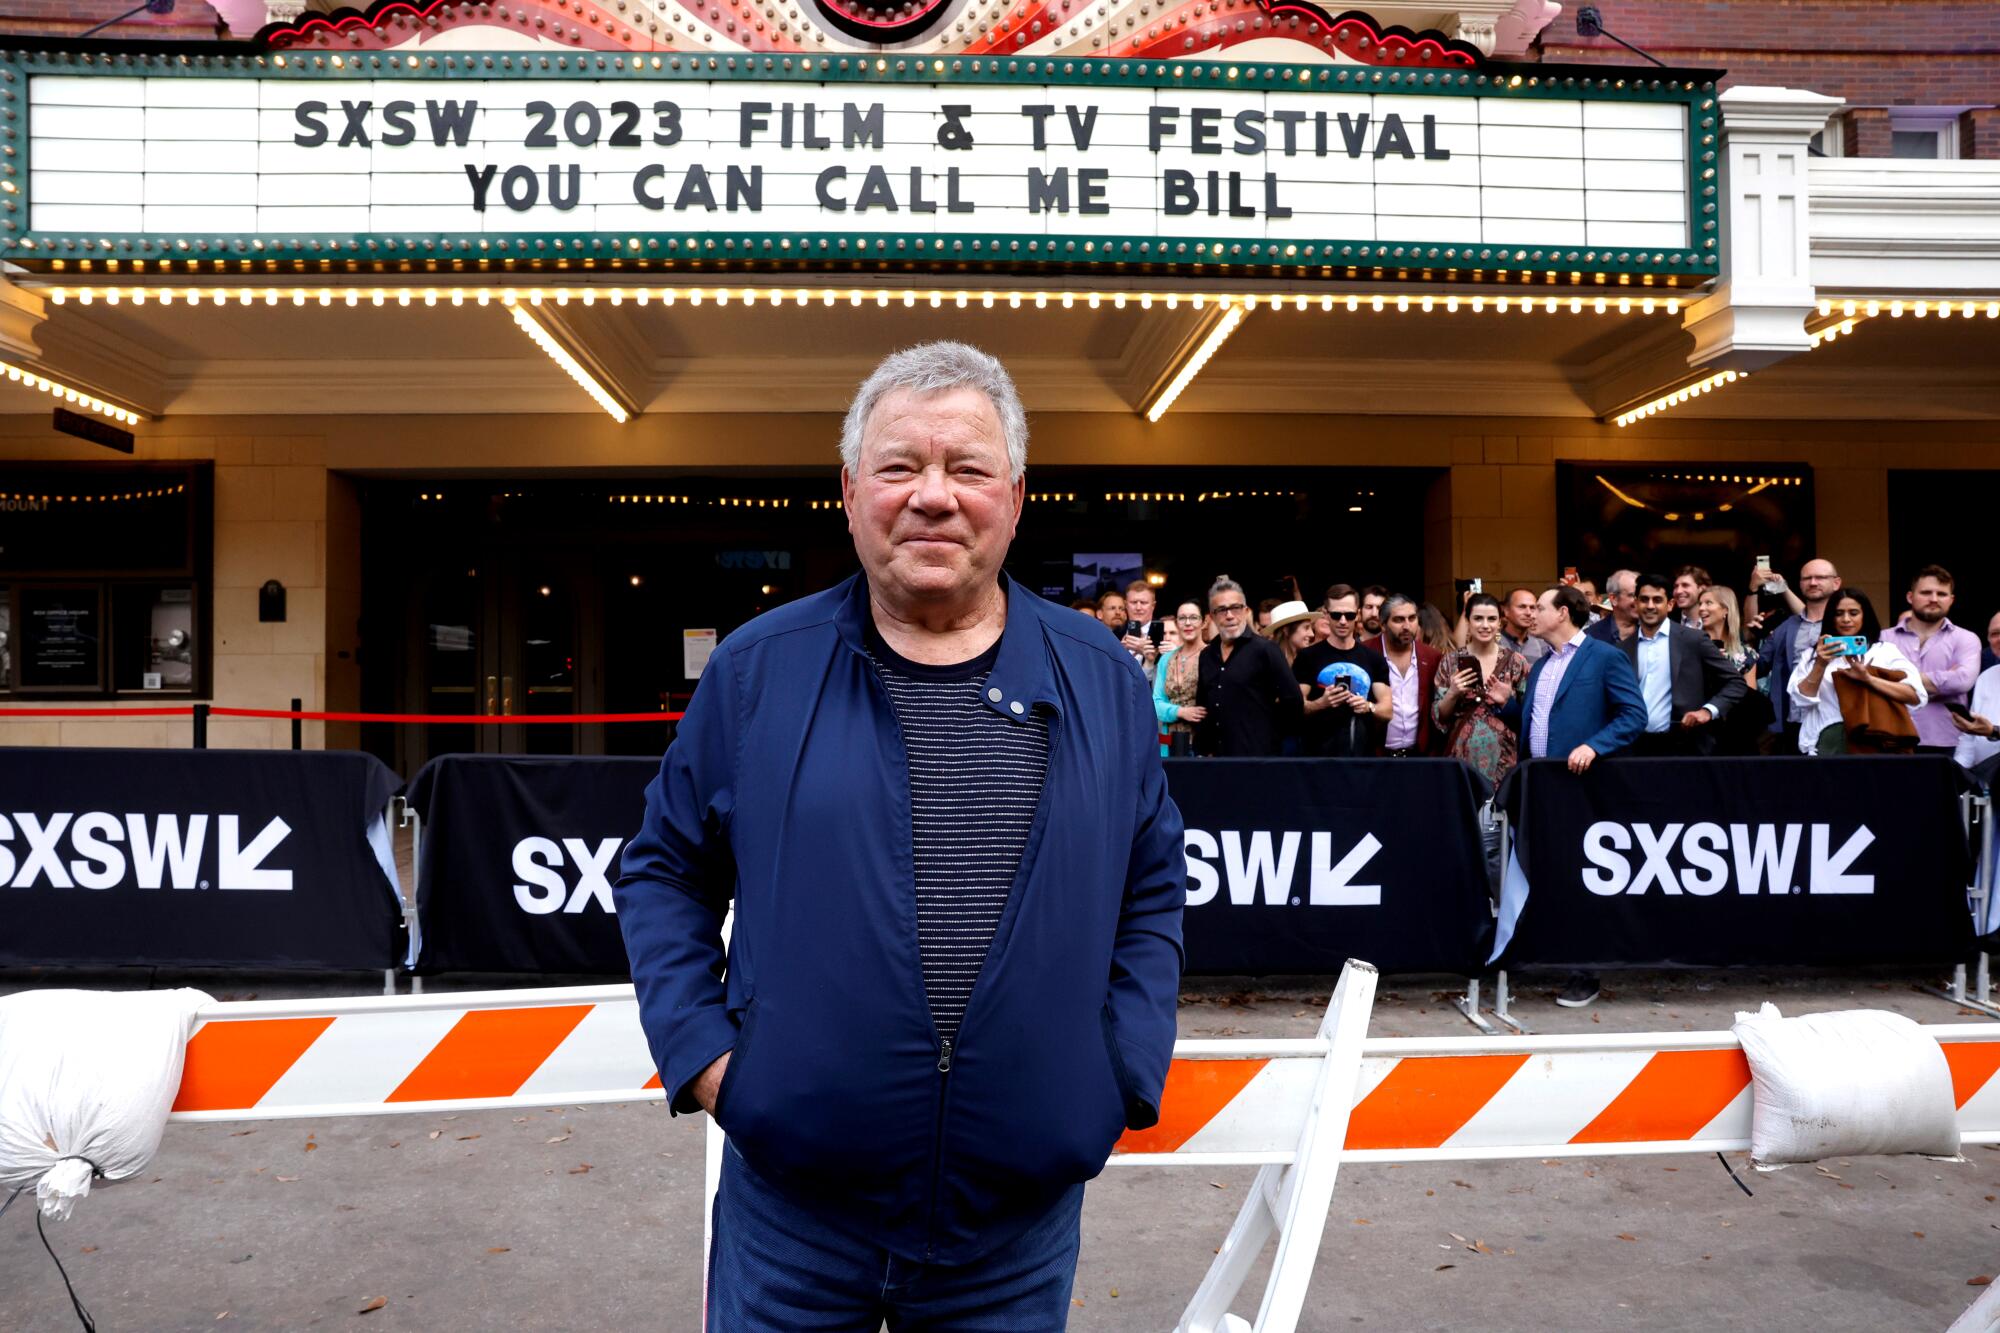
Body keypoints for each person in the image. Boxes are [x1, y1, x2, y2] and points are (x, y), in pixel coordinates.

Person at [613, 341, 1185, 1329]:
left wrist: (1120, 1070)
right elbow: (661, 870)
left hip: (1014, 1229)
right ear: (848, 490)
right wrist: (708, 1060)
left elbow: (1150, 882)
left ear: (1012, 492)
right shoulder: (758, 671)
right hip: (791, 1217)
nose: (933, 496)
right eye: (898, 467)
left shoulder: (1098, 674)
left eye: (965, 467)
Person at [1498, 584, 1645, 1011]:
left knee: (1584, 877)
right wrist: (1507, 706)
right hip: (1542, 785)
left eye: (1540, 608)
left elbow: (1634, 715)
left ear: (1562, 613)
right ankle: (1556, 956)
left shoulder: (1604, 657)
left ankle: (1587, 969)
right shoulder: (1542, 666)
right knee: (1551, 873)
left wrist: (1595, 745)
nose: (1531, 614)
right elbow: (1541, 723)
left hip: (1583, 788)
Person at [1620, 573, 1749, 756]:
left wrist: (1707, 711)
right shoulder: (1623, 649)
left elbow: (1736, 683)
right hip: (1635, 747)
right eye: (1644, 599)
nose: (1650, 606)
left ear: (1670, 604)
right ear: (1636, 602)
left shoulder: (1692, 640)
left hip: (1685, 745)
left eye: (1657, 600)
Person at [1788, 588, 1925, 755]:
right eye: (1839, 613)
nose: (1846, 619)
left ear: (1865, 616)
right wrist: (1820, 664)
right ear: (1831, 617)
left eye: (1853, 613)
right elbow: (1801, 699)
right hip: (1831, 741)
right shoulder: (1813, 654)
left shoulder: (1884, 651)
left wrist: (1868, 679)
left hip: (1877, 738)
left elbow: (1915, 695)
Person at [1196, 577, 1305, 756]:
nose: (1230, 615)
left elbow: (1293, 702)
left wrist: (1268, 734)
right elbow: (1203, 706)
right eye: (1222, 610)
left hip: (1258, 758)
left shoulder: (1265, 650)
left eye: (1236, 608)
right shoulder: (1207, 655)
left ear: (1246, 611)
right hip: (1216, 760)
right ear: (1212, 616)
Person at [1879, 565, 1982, 752]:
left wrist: (1896, 681)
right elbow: (1875, 682)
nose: (1934, 599)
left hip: (1946, 741)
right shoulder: (1884, 638)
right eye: (1926, 592)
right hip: (1891, 737)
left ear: (1951, 600)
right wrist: (1943, 679)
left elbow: (1961, 682)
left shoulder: (1966, 639)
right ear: (1910, 597)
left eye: (1941, 594)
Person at [1432, 593, 1529, 787]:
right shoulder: (1451, 661)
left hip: (1505, 760)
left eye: (1491, 619)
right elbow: (1439, 718)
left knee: (1501, 814)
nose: (1485, 625)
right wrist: (1452, 693)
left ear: (1500, 622)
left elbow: (1528, 718)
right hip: (1462, 757)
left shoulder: (1516, 662)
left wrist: (1506, 702)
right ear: (1467, 621)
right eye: (1478, 618)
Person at [1292, 584, 1391, 758]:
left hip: (1361, 757)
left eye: (1350, 615)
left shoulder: (1373, 658)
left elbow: (1388, 710)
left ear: (1358, 615)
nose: (1343, 621)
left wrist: (1368, 706)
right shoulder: (1308, 657)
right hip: (1317, 758)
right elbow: (1295, 707)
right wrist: (1320, 703)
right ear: (1325, 615)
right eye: (1336, 615)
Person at [1756, 557, 1842, 753]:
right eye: (1807, 578)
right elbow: (1759, 665)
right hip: (1793, 720)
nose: (1813, 582)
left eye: (1820, 577)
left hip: (1836, 721)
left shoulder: (1846, 624)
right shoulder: (1786, 627)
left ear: (1836, 583)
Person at [1364, 594, 1444, 757]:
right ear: (1383, 624)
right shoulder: (1365, 654)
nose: (1407, 626)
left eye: (1412, 618)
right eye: (1399, 620)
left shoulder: (1432, 657)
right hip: (1376, 755)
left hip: (1420, 757)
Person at [1153, 599, 1207, 755]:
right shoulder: (1166, 659)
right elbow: (1155, 703)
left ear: (1203, 622)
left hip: (1202, 744)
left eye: (1194, 618)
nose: (1188, 623)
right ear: (1177, 623)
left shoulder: (1212, 655)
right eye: (1182, 618)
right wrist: (1180, 712)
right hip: (1169, 744)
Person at [1950, 661, 2000, 774]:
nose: (1997, 642)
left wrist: (1994, 731)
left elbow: (1989, 730)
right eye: (1991, 640)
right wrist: (1958, 771)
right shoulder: (1987, 676)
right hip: (1984, 780)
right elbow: (1970, 738)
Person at [1120, 580, 1163, 680]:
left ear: (1153, 606)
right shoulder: (1115, 633)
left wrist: (1149, 652)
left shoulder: (1165, 633)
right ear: (1126, 605)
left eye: (1143, 603)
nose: (1138, 607)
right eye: (1134, 602)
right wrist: (1119, 651)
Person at [1584, 570, 1639, 644]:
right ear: (1614, 599)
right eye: (1632, 595)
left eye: (1641, 596)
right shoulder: (1590, 637)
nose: (1639, 601)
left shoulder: (1655, 632)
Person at [1502, 587, 1550, 664]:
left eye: (1532, 608)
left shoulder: (1543, 646)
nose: (1528, 613)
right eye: (1522, 607)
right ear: (1506, 611)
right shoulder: (1493, 643)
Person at [1672, 565, 1711, 630]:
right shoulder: (1668, 623)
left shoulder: (1715, 622)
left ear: (1702, 589)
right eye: (1676, 586)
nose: (1678, 591)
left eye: (1685, 585)